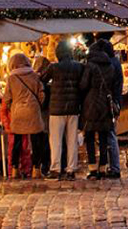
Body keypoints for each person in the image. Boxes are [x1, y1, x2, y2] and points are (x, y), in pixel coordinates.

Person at [41, 41, 82, 179]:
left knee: (56, 141)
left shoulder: (54, 67)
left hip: (56, 109)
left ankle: (55, 169)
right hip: (73, 108)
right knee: (72, 141)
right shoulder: (78, 67)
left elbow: (42, 80)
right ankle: (71, 170)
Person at [4, 52, 45, 178]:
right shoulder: (34, 76)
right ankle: (36, 169)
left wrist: (13, 108)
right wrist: (37, 106)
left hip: (18, 112)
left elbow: (7, 98)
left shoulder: (11, 78)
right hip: (33, 111)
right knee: (36, 141)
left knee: (17, 142)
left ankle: (15, 169)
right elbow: (42, 94)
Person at [82, 40, 119, 179]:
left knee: (90, 137)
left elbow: (84, 85)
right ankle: (103, 167)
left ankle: (92, 169)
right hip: (105, 103)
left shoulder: (90, 66)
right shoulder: (110, 66)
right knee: (103, 137)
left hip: (91, 104)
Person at [102, 38, 124, 179]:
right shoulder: (116, 62)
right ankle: (112, 166)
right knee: (110, 133)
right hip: (116, 101)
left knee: (110, 134)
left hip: (111, 103)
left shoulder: (111, 64)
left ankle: (115, 167)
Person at [31, 54, 52, 176]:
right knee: (44, 141)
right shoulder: (45, 83)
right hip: (44, 115)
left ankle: (36, 168)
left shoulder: (31, 79)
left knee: (35, 142)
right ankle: (44, 166)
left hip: (34, 114)